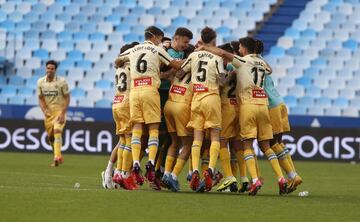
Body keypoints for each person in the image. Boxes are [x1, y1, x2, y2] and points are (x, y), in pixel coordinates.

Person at [200, 37, 288, 195]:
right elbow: (270, 69)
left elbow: (221, 53)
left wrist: (205, 47)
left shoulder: (241, 61)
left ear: (245, 48)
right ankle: (281, 179)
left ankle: (254, 180)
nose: (239, 49)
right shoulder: (261, 62)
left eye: (240, 47)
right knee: (266, 146)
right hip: (263, 106)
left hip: (247, 106)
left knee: (246, 145)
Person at [115, 26, 183, 187]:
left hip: (134, 92)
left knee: (137, 128)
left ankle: (137, 162)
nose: (161, 40)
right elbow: (175, 65)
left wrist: (124, 62)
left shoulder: (134, 49)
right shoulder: (157, 49)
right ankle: (151, 162)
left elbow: (117, 61)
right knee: (153, 128)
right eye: (160, 38)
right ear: (155, 37)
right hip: (150, 90)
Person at [177, 27, 226, 192]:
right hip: (211, 97)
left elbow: (180, 73)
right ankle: (211, 170)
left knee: (197, 137)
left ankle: (195, 169)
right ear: (213, 41)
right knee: (214, 137)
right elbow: (221, 82)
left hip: (197, 98)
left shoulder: (193, 55)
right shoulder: (217, 57)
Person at [255, 39, 302, 193]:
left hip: (271, 106)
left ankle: (292, 176)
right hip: (280, 103)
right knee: (279, 143)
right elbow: (270, 69)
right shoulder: (262, 63)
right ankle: (293, 176)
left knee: (270, 144)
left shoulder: (251, 64)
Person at [160, 27, 195, 192]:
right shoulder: (195, 67)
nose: (186, 45)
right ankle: (173, 175)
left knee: (174, 142)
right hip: (181, 106)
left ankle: (166, 174)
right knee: (189, 143)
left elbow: (170, 74)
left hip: (169, 104)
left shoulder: (179, 66)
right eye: (185, 42)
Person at [102, 42, 140, 190]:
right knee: (129, 140)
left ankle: (116, 173)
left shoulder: (119, 69)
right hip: (127, 103)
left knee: (123, 140)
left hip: (117, 102)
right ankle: (122, 174)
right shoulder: (132, 67)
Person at [37, 60, 70, 167]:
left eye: (52, 69)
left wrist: (62, 113)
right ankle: (56, 155)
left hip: (59, 111)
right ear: (46, 69)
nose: (49, 70)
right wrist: (44, 110)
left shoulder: (62, 82)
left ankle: (57, 156)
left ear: (55, 70)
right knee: (51, 138)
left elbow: (67, 98)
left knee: (57, 130)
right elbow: (40, 98)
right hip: (48, 114)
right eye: (48, 68)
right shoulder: (40, 82)